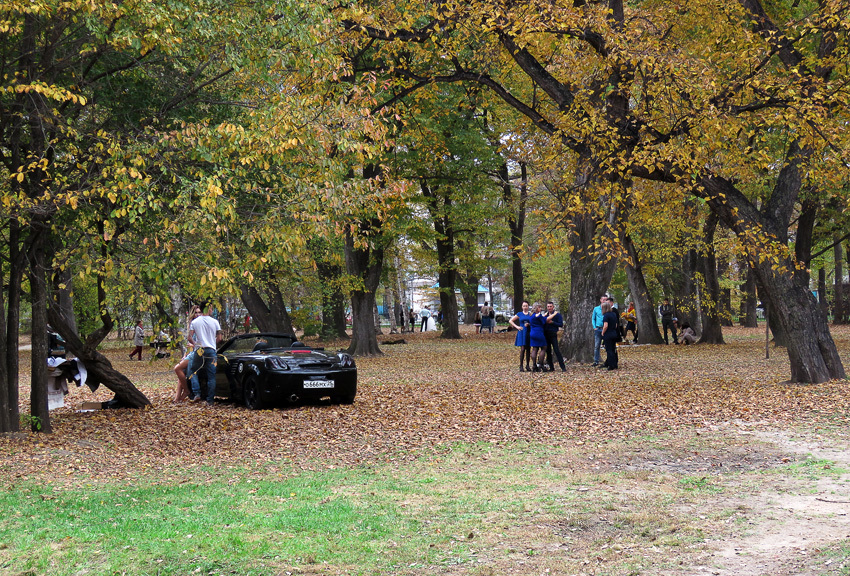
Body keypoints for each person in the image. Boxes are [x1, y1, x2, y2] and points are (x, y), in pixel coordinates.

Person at [186, 302, 223, 406]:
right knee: (211, 376)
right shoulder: (215, 322)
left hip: (199, 350)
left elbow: (189, 337)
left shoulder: (195, 322)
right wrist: (212, 344)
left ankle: (197, 393)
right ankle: (210, 400)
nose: (212, 310)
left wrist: (196, 344)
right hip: (211, 351)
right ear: (207, 309)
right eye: (211, 308)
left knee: (193, 371)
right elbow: (220, 338)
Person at [173, 306, 200, 402]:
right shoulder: (192, 325)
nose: (197, 315)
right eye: (196, 313)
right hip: (190, 352)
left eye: (199, 312)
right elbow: (188, 344)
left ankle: (187, 390)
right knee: (181, 376)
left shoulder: (199, 325)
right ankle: (177, 398)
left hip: (196, 352)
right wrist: (184, 355)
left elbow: (198, 343)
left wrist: (193, 345)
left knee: (177, 368)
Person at [509, 301, 533, 372]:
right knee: (522, 349)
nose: (525, 307)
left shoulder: (530, 314)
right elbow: (511, 320)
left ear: (528, 306)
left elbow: (533, 322)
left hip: (528, 332)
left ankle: (527, 365)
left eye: (526, 306)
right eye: (524, 306)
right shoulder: (519, 314)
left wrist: (529, 324)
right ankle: (521, 365)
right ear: (522, 307)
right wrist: (517, 327)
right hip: (522, 332)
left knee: (528, 349)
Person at [543, 301, 566, 372]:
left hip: (553, 334)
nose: (549, 308)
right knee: (548, 351)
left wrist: (552, 322)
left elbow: (560, 324)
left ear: (553, 307)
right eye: (548, 307)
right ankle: (551, 367)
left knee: (556, 350)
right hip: (546, 334)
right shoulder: (545, 315)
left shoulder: (557, 315)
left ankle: (563, 367)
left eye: (550, 306)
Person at [528, 303, 548, 372]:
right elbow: (544, 321)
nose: (541, 309)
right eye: (539, 307)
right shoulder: (539, 315)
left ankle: (534, 365)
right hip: (539, 332)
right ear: (536, 308)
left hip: (532, 333)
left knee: (535, 349)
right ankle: (541, 364)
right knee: (544, 347)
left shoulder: (531, 316)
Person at [600, 301, 620, 370]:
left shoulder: (606, 315)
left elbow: (605, 325)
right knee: (613, 349)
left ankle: (611, 365)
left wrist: (603, 332)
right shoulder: (613, 314)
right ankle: (615, 364)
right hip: (614, 333)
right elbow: (616, 324)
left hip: (608, 334)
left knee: (609, 350)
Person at [591, 294, 606, 366]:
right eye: (603, 300)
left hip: (606, 329)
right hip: (598, 328)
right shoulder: (596, 309)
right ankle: (596, 361)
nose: (604, 301)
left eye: (605, 300)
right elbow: (593, 318)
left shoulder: (608, 309)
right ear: (600, 300)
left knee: (607, 345)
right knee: (597, 346)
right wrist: (594, 327)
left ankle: (608, 361)